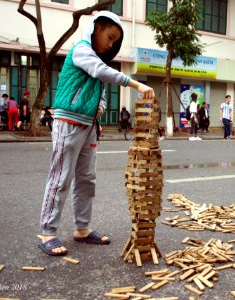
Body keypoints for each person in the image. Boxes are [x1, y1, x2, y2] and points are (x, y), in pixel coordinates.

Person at [38, 11, 155, 256]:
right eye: (109, 37)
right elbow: (101, 72)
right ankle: (47, 232)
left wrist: (100, 108)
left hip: (89, 126)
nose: (111, 43)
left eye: (115, 41)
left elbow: (100, 91)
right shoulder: (81, 50)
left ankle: (81, 228)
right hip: (68, 122)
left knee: (86, 180)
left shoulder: (97, 59)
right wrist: (134, 83)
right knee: (60, 178)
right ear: (96, 27)